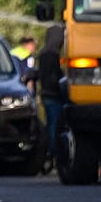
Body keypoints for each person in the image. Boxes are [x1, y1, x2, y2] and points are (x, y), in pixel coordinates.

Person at [36, 24, 65, 174]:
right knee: (54, 128)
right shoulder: (52, 56)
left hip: (47, 95)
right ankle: (54, 156)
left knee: (50, 127)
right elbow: (54, 76)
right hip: (54, 95)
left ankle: (47, 158)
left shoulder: (43, 54)